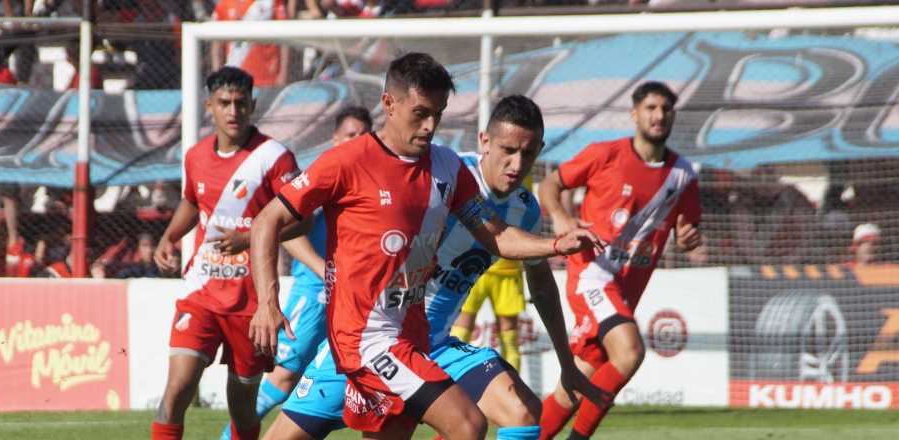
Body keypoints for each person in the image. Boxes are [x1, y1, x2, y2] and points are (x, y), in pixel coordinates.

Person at [248, 53, 601, 440]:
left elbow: (496, 235)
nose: (431, 126)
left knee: (514, 412)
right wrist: (268, 302)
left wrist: (555, 243)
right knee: (467, 424)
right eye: (420, 113)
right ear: (389, 104)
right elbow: (268, 220)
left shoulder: (448, 169)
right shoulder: (346, 162)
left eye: (439, 113)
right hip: (363, 339)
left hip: (419, 340)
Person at [536, 81, 702, 439]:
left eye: (666, 109)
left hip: (624, 290)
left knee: (574, 388)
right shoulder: (604, 154)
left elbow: (687, 232)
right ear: (634, 113)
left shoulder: (683, 175)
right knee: (629, 351)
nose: (659, 115)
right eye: (651, 108)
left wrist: (690, 238)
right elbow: (550, 184)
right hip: (591, 274)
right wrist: (561, 217)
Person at [149, 66, 302, 440]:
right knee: (177, 390)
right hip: (201, 291)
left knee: (243, 405)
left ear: (253, 105)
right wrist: (169, 237)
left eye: (240, 103)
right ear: (209, 107)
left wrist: (249, 238)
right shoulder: (196, 156)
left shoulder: (274, 157)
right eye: (224, 103)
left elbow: (303, 221)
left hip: (252, 302)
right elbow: (191, 202)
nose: (233, 111)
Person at [217, 105, 374, 440]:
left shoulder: (370, 180)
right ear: (335, 138)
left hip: (352, 303)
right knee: (283, 378)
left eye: (363, 135)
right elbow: (289, 230)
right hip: (315, 297)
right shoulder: (325, 177)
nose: (357, 140)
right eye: (350, 134)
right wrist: (324, 270)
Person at [449, 175, 534, 372]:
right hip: (481, 266)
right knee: (466, 331)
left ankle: (511, 388)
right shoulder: (478, 172)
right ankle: (456, 383)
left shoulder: (515, 172)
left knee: (505, 338)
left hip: (500, 268)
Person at [210, 0, 294, 87]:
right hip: (235, 80)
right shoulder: (225, 3)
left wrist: (283, 73)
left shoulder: (271, 2)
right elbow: (217, 46)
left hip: (267, 79)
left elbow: (285, 40)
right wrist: (218, 77)